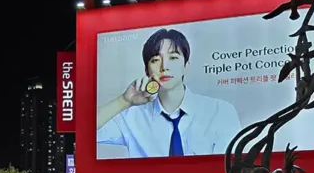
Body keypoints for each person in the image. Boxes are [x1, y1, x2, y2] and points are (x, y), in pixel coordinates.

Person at [96, 28, 241, 158]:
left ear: (186, 66)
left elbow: (229, 170)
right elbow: (86, 131)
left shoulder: (220, 112)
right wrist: (124, 101)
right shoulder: (132, 117)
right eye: (155, 60)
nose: (164, 67)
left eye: (173, 58)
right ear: (147, 70)